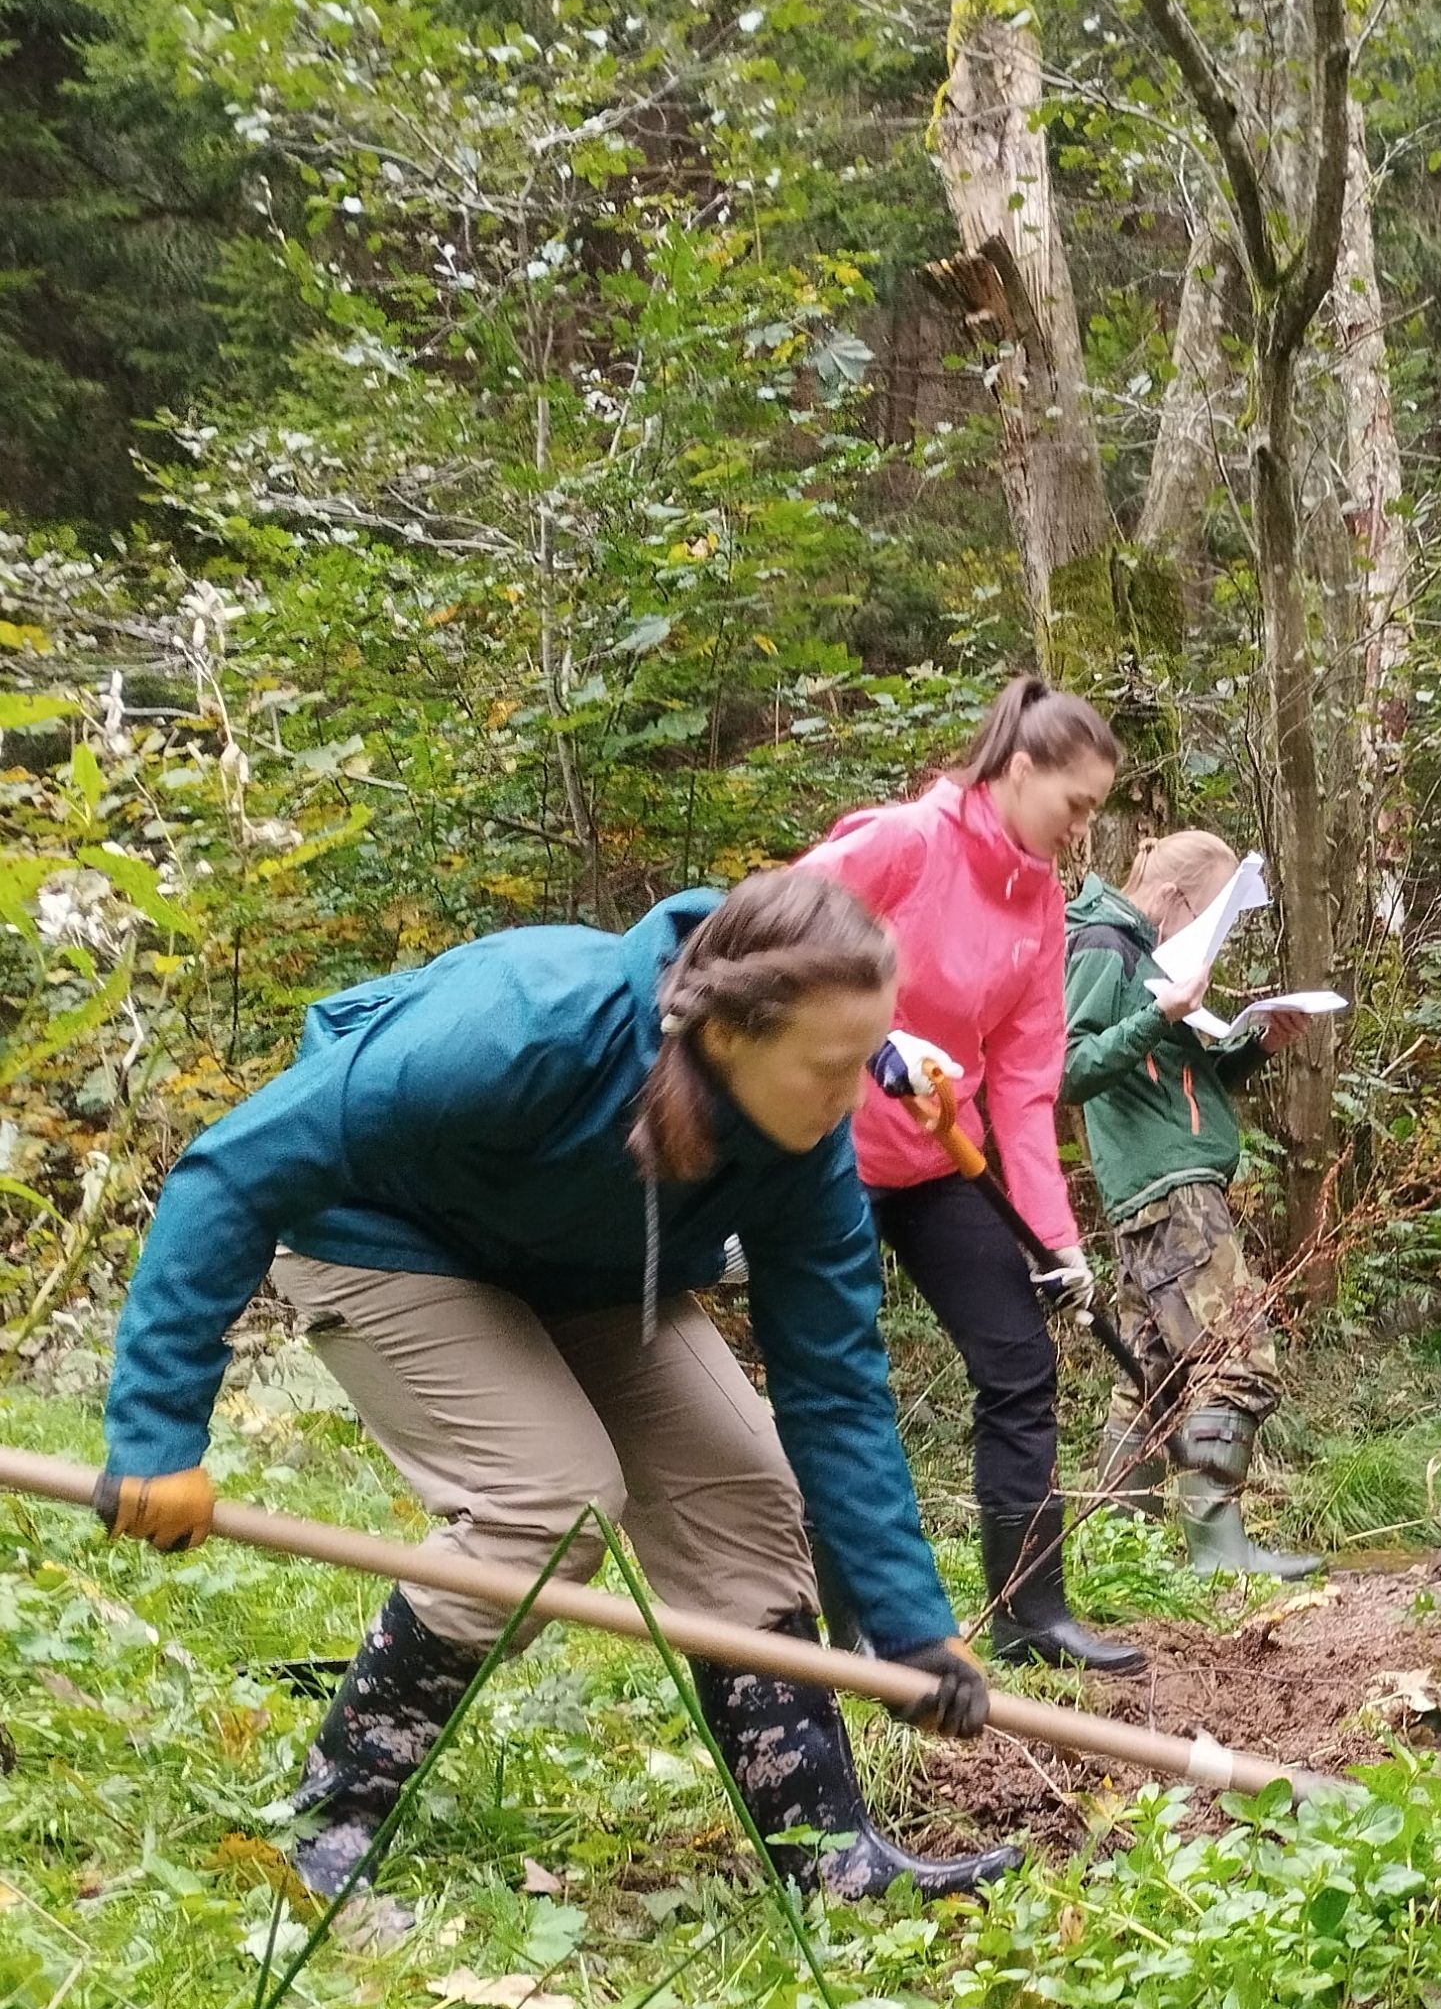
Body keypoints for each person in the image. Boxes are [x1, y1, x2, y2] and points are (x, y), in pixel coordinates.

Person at [94, 868, 1011, 1903]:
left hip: (589, 1269)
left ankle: (829, 1856)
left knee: (750, 1494)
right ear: (727, 1031)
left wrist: (911, 1629)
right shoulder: (526, 1024)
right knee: (546, 1498)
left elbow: (833, 1385)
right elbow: (234, 1168)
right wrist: (159, 1433)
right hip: (382, 1233)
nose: (852, 1098)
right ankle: (330, 1830)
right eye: (830, 1066)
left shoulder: (803, 1149)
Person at [805, 676, 1142, 1678]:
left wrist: (1056, 1240)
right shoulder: (904, 842)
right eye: (1075, 804)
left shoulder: (1040, 898)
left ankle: (1030, 1613)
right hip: (828, 1143)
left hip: (940, 1156)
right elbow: (773, 929)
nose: (1083, 829)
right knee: (839, 1371)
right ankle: (859, 1623)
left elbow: (1030, 1082)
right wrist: (877, 1029)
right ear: (1019, 768)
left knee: (1019, 1361)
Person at [1061, 827, 1322, 1579]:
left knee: (1152, 1376)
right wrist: (1162, 1014)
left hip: (1158, 1183)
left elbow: (1174, 1086)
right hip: (1168, 1190)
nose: (1210, 940)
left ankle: (1121, 1551)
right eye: (1209, 919)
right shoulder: (1107, 943)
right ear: (1175, 898)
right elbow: (1070, 1068)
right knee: (1241, 1359)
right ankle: (1219, 1550)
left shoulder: (1139, 950)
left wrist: (1257, 1046)